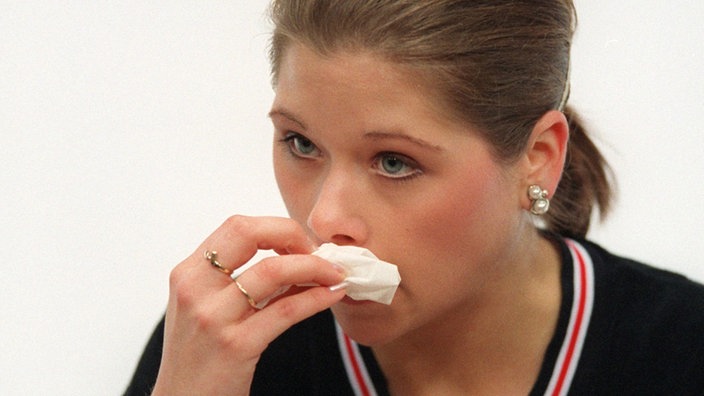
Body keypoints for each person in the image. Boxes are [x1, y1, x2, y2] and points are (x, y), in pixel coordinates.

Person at [125, 1, 704, 394]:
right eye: (301, 143)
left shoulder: (681, 351)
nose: (325, 218)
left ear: (538, 158)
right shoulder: (228, 352)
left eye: (395, 162)